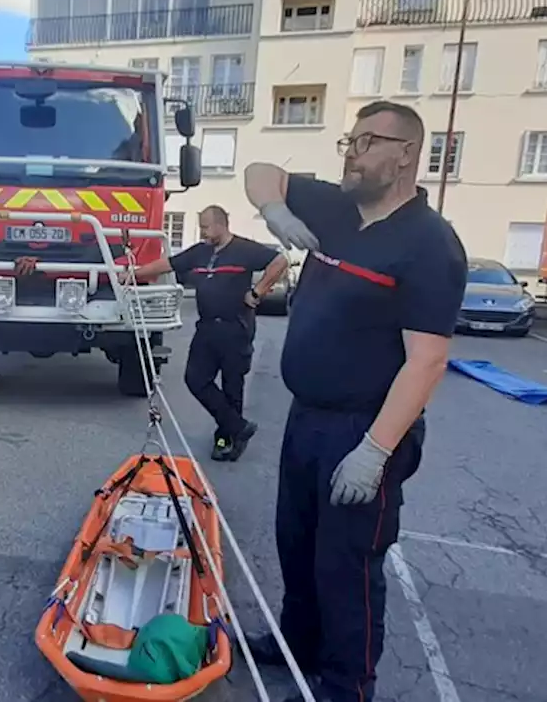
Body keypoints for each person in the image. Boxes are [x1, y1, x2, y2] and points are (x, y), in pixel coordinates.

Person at [240, 101, 467, 702]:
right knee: (298, 541)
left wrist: (375, 451)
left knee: (347, 565)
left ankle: (346, 685)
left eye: (369, 142)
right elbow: (260, 168)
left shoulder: (429, 244)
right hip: (307, 415)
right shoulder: (339, 209)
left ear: (406, 155)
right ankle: (298, 644)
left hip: (363, 427)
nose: (353, 152)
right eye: (351, 140)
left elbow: (426, 361)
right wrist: (273, 208)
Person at [121, 205, 289, 462]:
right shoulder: (200, 252)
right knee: (195, 379)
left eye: (206, 227)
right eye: (201, 227)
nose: (203, 233)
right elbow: (166, 264)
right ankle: (239, 427)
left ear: (221, 224)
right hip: (207, 326)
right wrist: (132, 274)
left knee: (233, 385)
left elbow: (280, 261)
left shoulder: (246, 250)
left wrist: (258, 292)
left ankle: (226, 439)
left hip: (236, 327)